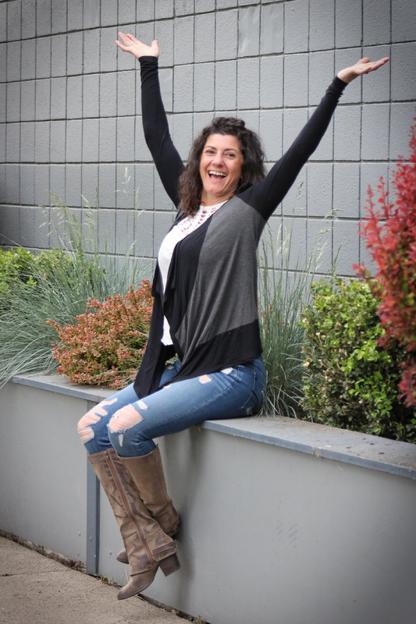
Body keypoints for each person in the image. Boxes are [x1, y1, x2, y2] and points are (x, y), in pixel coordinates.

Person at [77, 32, 389, 600]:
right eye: (210, 152)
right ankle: (147, 540)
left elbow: (300, 152)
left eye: (229, 154)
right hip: (182, 366)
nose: (216, 161)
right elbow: (156, 137)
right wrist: (149, 66)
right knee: (92, 427)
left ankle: (160, 526)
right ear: (199, 160)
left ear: (242, 167)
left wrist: (336, 86)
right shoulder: (186, 207)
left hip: (231, 372)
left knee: (125, 427)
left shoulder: (248, 211)